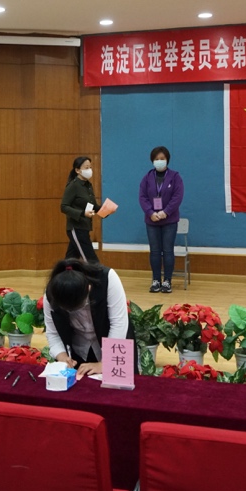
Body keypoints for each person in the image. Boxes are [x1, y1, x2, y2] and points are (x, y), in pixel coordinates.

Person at [42, 259, 133, 378]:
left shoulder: (108, 278)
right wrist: (63, 357)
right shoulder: (52, 294)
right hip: (79, 350)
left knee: (119, 387)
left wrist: (105, 363)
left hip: (115, 347)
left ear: (89, 288)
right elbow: (53, 333)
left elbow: (118, 324)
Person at [138, 145, 184, 294]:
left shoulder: (175, 177)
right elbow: (142, 197)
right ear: (152, 161)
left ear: (167, 160)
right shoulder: (147, 178)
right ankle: (156, 280)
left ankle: (167, 281)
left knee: (168, 251)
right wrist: (150, 212)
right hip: (152, 221)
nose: (159, 161)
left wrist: (166, 212)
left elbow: (177, 197)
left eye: (162, 158)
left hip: (169, 221)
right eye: (156, 159)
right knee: (155, 251)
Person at [61, 156, 100, 263]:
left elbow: (93, 206)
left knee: (71, 259)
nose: (89, 170)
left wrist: (106, 210)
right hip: (76, 227)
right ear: (77, 170)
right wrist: (83, 213)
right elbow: (64, 207)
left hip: (85, 227)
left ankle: (64, 273)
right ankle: (99, 274)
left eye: (90, 167)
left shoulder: (88, 186)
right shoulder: (73, 186)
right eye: (86, 167)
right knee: (91, 260)